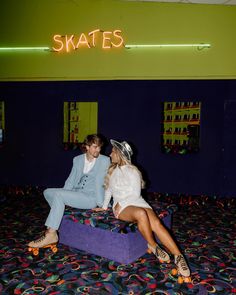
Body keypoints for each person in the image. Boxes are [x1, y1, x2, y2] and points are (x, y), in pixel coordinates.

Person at [94, 139, 191, 283]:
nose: (110, 154)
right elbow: (108, 189)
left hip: (136, 202)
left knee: (157, 223)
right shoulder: (111, 170)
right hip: (121, 207)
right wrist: (104, 206)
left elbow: (135, 194)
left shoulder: (133, 171)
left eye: (113, 152)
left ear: (120, 154)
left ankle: (178, 257)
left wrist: (125, 203)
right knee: (141, 214)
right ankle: (153, 245)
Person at [28, 134, 110, 252]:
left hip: (90, 197)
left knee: (59, 196)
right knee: (48, 192)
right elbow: (71, 179)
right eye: (94, 147)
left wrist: (101, 204)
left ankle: (51, 233)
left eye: (99, 147)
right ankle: (60, 215)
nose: (98, 150)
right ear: (86, 146)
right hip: (77, 193)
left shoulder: (104, 160)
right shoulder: (77, 159)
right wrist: (65, 193)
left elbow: (99, 182)